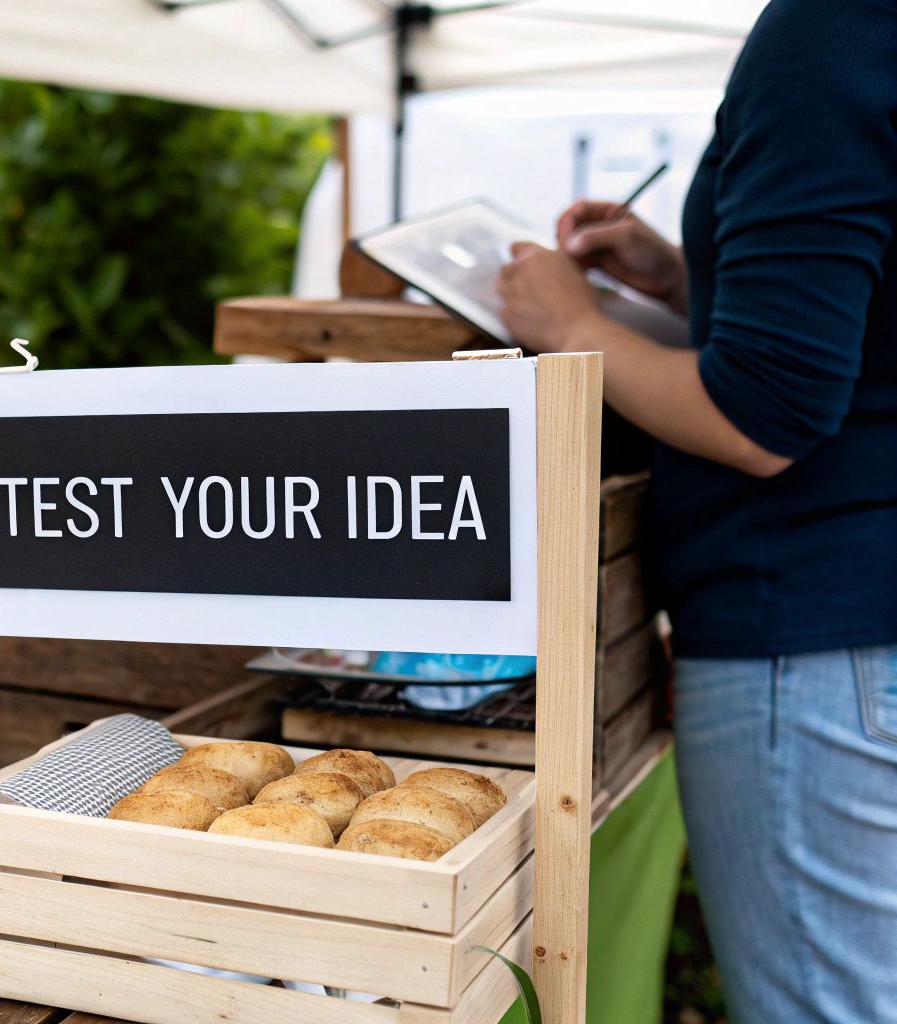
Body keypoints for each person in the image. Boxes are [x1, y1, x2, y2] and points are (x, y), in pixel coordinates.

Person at [495, 1, 896, 1020]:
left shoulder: (830, 28)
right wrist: (687, 281)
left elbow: (762, 416)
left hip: (807, 638)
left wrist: (570, 323)